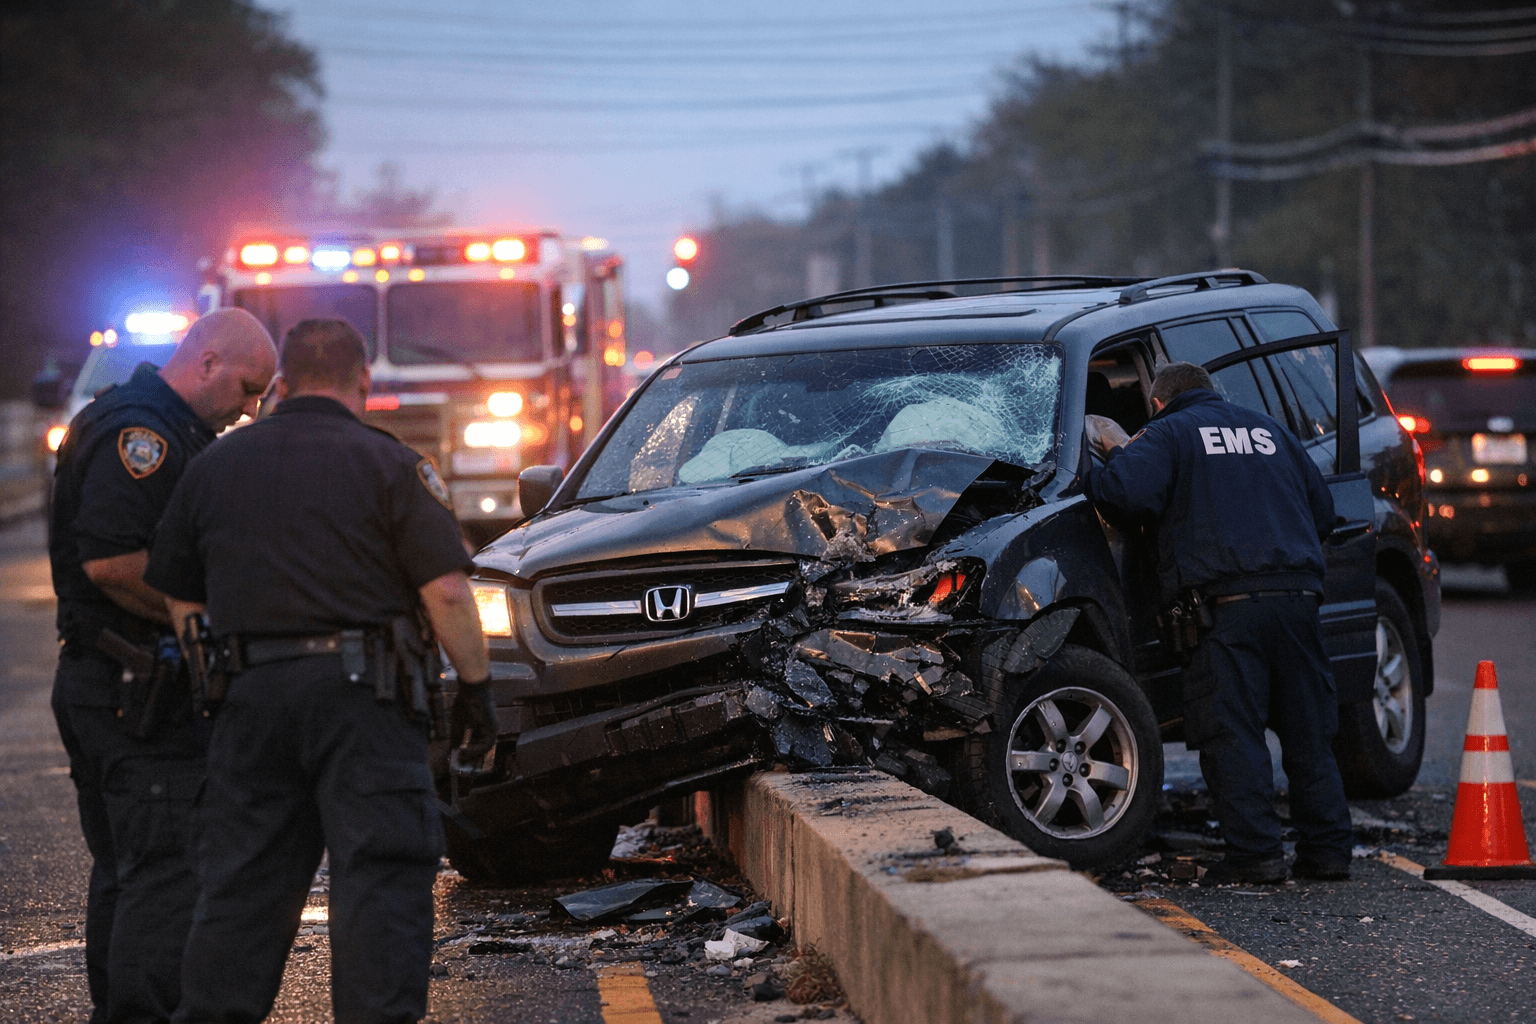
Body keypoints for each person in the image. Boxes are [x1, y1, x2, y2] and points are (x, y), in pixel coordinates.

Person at [143, 318, 499, 1024]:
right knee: (380, 882)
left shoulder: (215, 465)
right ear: (361, 380)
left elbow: (178, 589)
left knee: (242, 890)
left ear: (282, 383)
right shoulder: (390, 464)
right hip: (366, 706)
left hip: (250, 701)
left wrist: (211, 668)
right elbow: (449, 593)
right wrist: (477, 692)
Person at [48, 307, 278, 1023]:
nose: (250, 409)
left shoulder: (165, 426)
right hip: (132, 691)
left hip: (110, 687)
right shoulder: (140, 435)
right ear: (206, 363)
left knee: (127, 871)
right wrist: (203, 614)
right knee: (161, 875)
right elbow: (113, 562)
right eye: (246, 388)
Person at [1084, 361, 1354, 884]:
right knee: (1309, 734)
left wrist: (1115, 454)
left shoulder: (1168, 432)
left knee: (1233, 733)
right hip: (1297, 601)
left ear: (1158, 402)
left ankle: (1257, 856)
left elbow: (1124, 495)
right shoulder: (1270, 430)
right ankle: (1329, 854)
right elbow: (1323, 511)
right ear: (1213, 392)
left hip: (1226, 609)